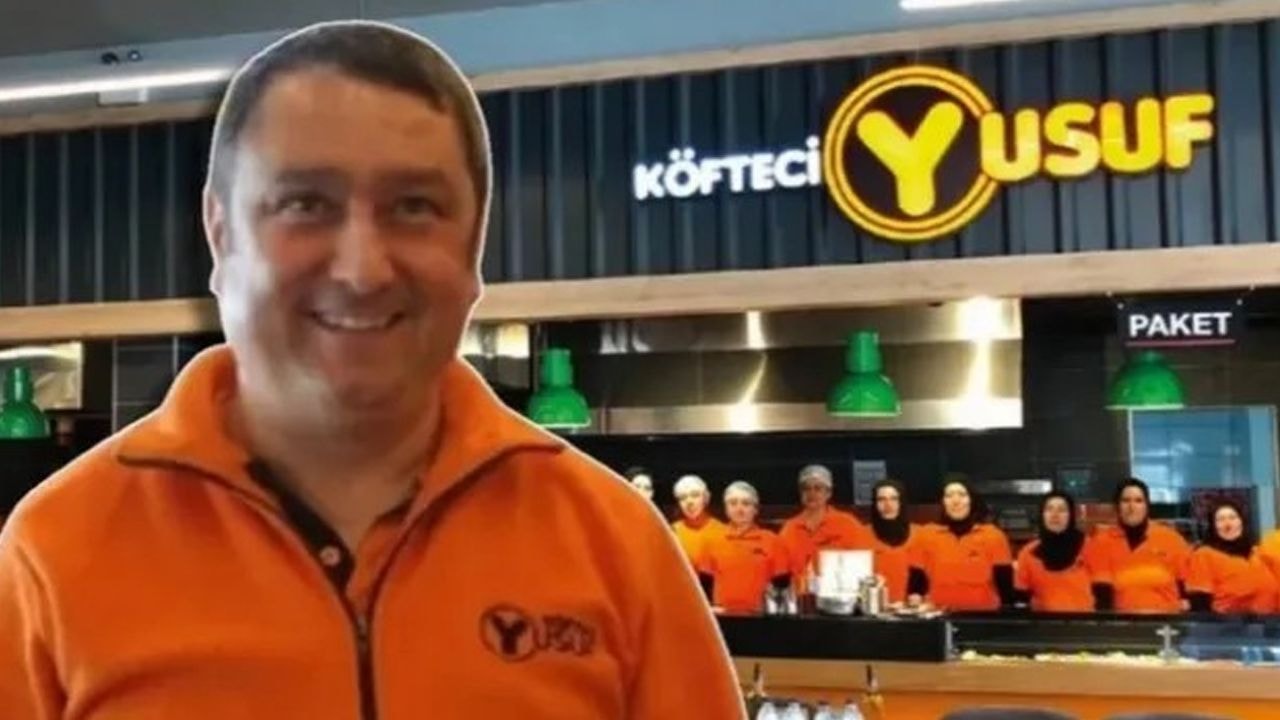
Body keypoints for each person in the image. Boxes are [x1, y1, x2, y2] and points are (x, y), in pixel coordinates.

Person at [0, 22, 744, 719]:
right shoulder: (54, 554)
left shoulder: (617, 547)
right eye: (305, 203)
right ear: (221, 234)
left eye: (414, 206)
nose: (362, 270)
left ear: (473, 246)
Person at [908, 478, 1015, 611]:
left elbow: (1006, 588)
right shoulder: (926, 535)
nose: (955, 501)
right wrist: (915, 598)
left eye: (962, 495)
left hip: (984, 616)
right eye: (949, 496)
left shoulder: (994, 536)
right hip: (939, 616)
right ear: (943, 502)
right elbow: (916, 584)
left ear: (971, 500)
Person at [1090, 478, 1192, 613]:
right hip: (1121, 622)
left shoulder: (1172, 539)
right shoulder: (1101, 542)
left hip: (1166, 621)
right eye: (1125, 501)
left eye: (1138, 501)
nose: (1132, 507)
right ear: (1117, 506)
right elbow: (1101, 595)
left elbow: (1189, 587)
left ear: (1147, 506)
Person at [697, 481, 791, 614]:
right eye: (733, 503)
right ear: (726, 508)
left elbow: (782, 585)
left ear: (755, 509)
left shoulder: (773, 541)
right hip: (722, 616)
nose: (739, 509)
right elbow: (704, 585)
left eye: (746, 503)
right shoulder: (711, 540)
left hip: (761, 617)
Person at [1014, 491, 1113, 612]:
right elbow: (1021, 599)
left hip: (1084, 621)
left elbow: (1104, 595)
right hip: (1043, 622)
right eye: (1049, 509)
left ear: (1071, 515)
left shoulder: (1092, 547)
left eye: (1061, 510)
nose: (1054, 515)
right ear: (1042, 515)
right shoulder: (1028, 553)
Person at [778, 464, 870, 582]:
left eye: (818, 488)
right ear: (800, 493)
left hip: (839, 591)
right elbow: (781, 570)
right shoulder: (789, 528)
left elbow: (862, 564)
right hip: (800, 592)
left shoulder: (848, 524)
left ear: (829, 493)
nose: (811, 493)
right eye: (806, 488)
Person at [1186, 500, 1279, 614]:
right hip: (1230, 624)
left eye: (1233, 517)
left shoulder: (1257, 553)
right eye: (1220, 520)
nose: (1228, 524)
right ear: (1213, 526)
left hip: (1269, 622)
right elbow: (1200, 606)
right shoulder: (1204, 555)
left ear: (1241, 522)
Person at [867, 479, 920, 603]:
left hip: (911, 609)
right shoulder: (861, 535)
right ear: (874, 504)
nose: (888, 505)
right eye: (881, 499)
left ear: (902, 502)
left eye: (894, 499)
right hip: (874, 608)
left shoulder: (919, 534)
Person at [671, 474, 727, 566]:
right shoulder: (672, 532)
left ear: (706, 498)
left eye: (695, 495)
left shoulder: (723, 531)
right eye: (683, 497)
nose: (689, 502)